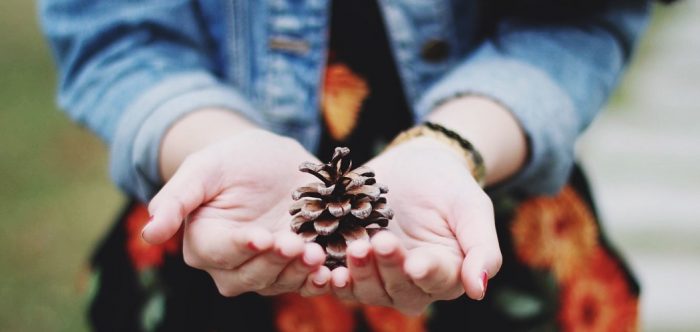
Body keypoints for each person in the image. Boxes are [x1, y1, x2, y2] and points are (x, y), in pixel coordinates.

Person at [40, 0, 655, 330]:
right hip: (227, 225)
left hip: (487, 213)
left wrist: (452, 143)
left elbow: (581, 18)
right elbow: (115, 32)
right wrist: (207, 143)